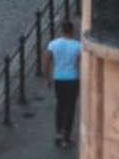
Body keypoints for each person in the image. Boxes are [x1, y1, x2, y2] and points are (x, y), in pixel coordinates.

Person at [45, 18, 81, 148]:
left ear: (62, 31)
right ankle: (67, 136)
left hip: (58, 78)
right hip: (72, 79)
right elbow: (81, 63)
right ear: (72, 31)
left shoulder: (53, 44)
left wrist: (47, 78)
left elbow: (47, 60)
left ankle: (58, 133)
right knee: (70, 108)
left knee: (60, 105)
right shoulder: (77, 46)